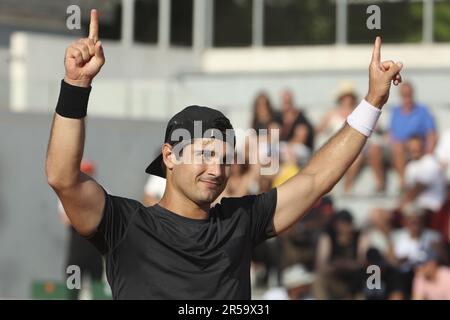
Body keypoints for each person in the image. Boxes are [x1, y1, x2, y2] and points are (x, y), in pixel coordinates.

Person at [45, 9, 403, 299]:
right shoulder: (125, 224)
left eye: (223, 157)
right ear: (169, 157)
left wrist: (373, 102)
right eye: (203, 154)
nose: (215, 169)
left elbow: (314, 180)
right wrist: (76, 86)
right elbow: (62, 177)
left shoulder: (241, 219)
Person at [58, 160, 104, 300]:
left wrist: (80, 215)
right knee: (73, 289)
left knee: (97, 291)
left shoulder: (103, 192)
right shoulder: (68, 194)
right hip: (78, 253)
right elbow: (66, 219)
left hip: (95, 250)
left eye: (89, 173)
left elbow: (106, 216)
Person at [388, 82, 437, 190]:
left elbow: (431, 133)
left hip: (418, 145)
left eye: (408, 94)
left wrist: (429, 151)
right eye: (404, 94)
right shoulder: (395, 112)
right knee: (397, 147)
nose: (407, 97)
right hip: (401, 148)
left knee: (413, 144)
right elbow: (391, 134)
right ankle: (403, 182)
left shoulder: (422, 110)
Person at [399, 135, 446, 218]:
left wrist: (403, 202)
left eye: (416, 147)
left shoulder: (430, 161)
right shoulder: (409, 167)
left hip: (432, 209)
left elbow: (419, 187)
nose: (414, 150)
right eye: (412, 148)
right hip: (417, 208)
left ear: (422, 147)